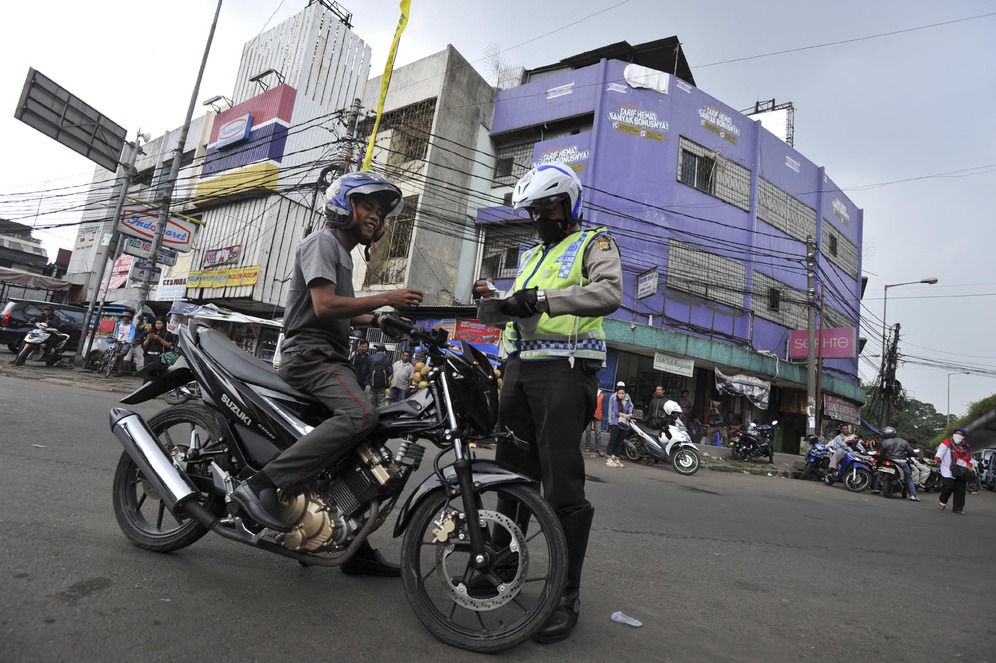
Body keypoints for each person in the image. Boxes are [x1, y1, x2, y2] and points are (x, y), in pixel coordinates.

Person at [231, 170, 424, 576]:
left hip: (330, 356)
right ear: (345, 206)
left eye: (379, 211)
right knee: (361, 416)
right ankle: (261, 484)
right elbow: (323, 305)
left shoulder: (344, 255)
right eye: (368, 206)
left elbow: (345, 312)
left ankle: (352, 545)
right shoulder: (323, 242)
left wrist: (382, 318)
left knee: (361, 446)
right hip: (309, 355)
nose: (375, 215)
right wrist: (387, 296)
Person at [471, 162, 622, 644]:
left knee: (561, 489)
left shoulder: (594, 242)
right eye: (533, 210)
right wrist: (499, 301)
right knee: (510, 478)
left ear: (568, 206)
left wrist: (542, 299)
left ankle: (564, 597)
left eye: (546, 208)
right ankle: (500, 564)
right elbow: (524, 311)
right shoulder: (531, 255)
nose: (539, 217)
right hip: (518, 373)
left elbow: (608, 293)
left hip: (564, 372)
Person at [871, 426, 919, 501]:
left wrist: (882, 458)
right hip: (902, 462)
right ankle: (913, 495)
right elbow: (910, 452)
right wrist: (914, 454)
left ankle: (876, 489)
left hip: (889, 461)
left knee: (880, 472)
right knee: (909, 478)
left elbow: (882, 454)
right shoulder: (904, 442)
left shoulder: (885, 442)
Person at [934, 427, 974, 515]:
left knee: (960, 489)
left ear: (963, 436)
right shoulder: (947, 442)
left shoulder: (966, 446)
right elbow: (940, 451)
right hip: (948, 468)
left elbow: (970, 457)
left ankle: (958, 508)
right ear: (953, 434)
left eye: (960, 434)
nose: (958, 435)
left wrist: (969, 464)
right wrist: (936, 459)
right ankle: (943, 501)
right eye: (957, 433)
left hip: (961, 470)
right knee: (949, 486)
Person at [606, 383, 633, 468]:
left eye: (623, 393)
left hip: (624, 425)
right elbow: (616, 412)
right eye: (619, 393)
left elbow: (630, 411)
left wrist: (629, 415)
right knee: (613, 440)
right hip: (616, 423)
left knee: (620, 442)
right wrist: (625, 415)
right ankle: (609, 458)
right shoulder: (615, 401)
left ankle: (616, 458)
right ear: (617, 393)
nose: (621, 395)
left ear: (625, 394)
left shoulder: (627, 403)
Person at [109, 312, 137, 377]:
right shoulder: (119, 324)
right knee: (120, 358)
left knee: (122, 354)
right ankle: (119, 372)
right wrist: (115, 337)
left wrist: (131, 341)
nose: (126, 318)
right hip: (119, 341)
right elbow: (117, 331)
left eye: (127, 317)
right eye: (124, 317)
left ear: (129, 319)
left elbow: (132, 334)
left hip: (127, 342)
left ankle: (113, 360)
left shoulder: (132, 326)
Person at [583, 388, 605, 456]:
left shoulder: (601, 393)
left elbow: (599, 403)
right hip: (589, 414)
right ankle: (588, 446)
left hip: (597, 415)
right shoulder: (589, 391)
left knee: (598, 432)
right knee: (588, 431)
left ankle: (598, 448)